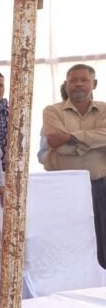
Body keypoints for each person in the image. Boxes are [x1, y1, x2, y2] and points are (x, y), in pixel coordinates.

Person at [43, 64, 106, 269]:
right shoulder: (52, 111)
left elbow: (63, 142)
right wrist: (93, 143)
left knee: (102, 237)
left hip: (100, 185)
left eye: (84, 80)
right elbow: (56, 143)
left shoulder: (104, 109)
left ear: (94, 84)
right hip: (63, 187)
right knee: (67, 238)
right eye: (73, 80)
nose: (78, 84)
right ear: (66, 84)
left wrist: (69, 138)